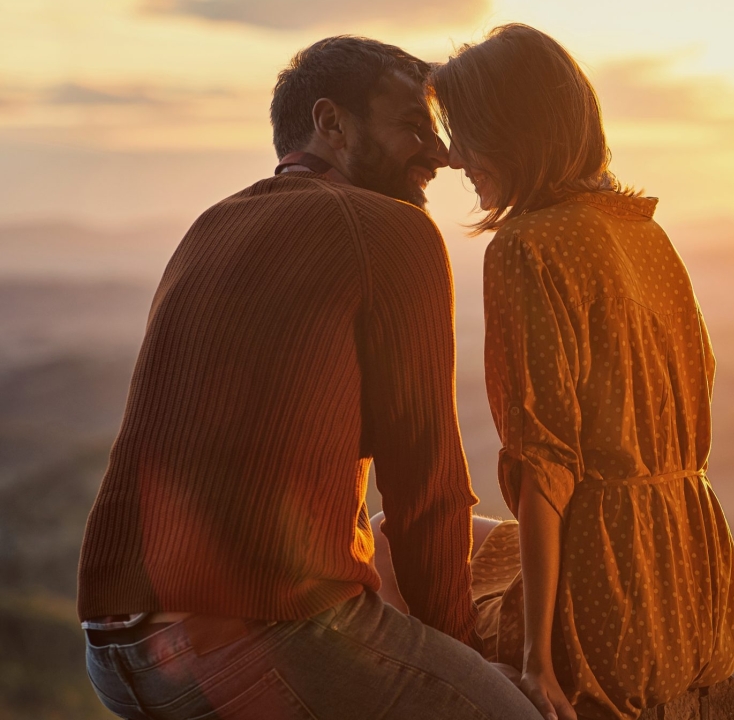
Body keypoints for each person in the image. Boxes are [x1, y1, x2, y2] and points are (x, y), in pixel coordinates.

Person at [76, 36, 540, 720]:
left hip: (115, 649)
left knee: (416, 538)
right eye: (413, 126)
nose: (440, 154)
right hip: (252, 639)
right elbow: (427, 487)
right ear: (331, 123)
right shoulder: (389, 229)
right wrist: (464, 666)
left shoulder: (214, 223)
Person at [405, 23, 734, 720]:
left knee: (385, 548)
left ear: (511, 128)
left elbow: (544, 461)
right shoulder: (643, 231)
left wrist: (537, 665)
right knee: (466, 542)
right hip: (695, 599)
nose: (451, 154)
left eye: (463, 131)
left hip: (603, 620)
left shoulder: (526, 247)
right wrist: (700, 629)